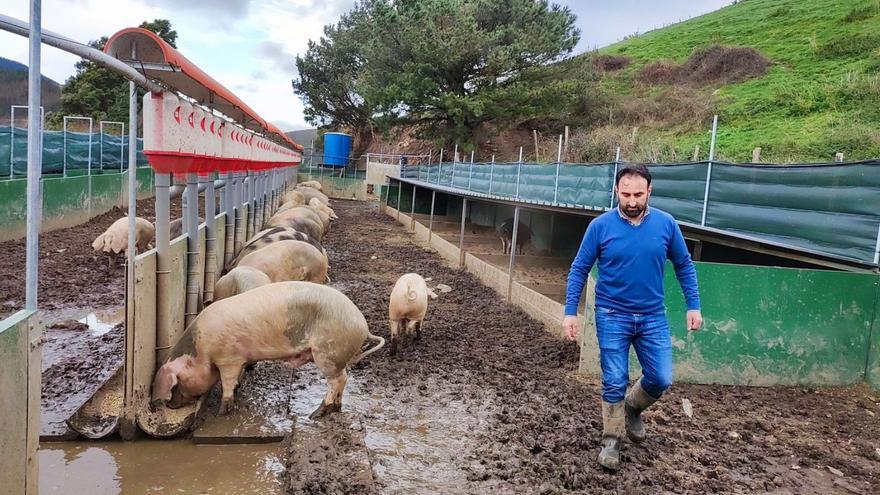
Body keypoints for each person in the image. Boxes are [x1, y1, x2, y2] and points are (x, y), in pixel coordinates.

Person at [563, 163, 702, 470]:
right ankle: (611, 439)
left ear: (649, 191)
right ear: (617, 191)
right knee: (614, 378)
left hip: (652, 315)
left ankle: (633, 406)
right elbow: (579, 269)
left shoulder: (666, 224)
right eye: (626, 194)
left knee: (661, 377)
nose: (632, 201)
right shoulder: (600, 226)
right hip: (612, 314)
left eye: (638, 194)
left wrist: (694, 304)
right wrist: (570, 311)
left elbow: (684, 265)